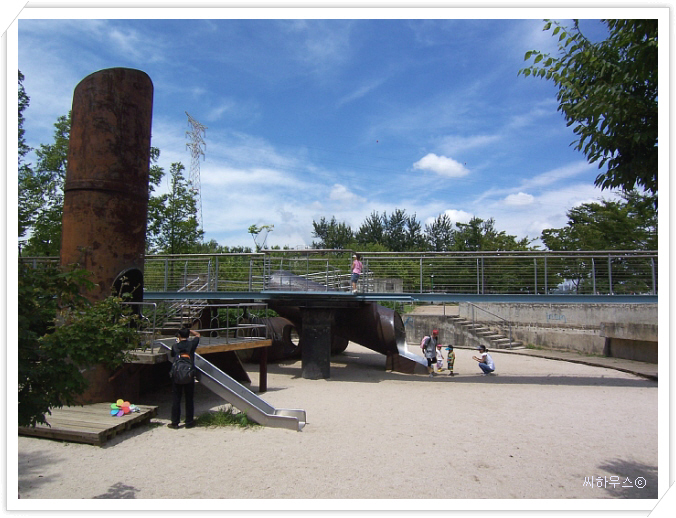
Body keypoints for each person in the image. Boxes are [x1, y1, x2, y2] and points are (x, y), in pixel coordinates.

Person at [169, 327, 201, 429]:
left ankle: (175, 422)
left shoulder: (175, 346)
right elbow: (198, 335)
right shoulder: (191, 344)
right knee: (189, 399)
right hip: (189, 375)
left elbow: (172, 355)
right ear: (188, 335)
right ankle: (189, 422)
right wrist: (189, 330)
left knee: (176, 399)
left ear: (179, 335)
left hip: (177, 375)